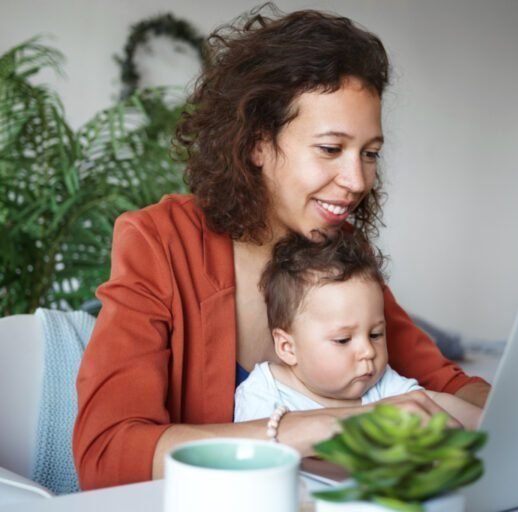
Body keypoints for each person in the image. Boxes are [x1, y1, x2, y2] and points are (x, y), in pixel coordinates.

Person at [73, 6, 490, 490]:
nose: (357, 181)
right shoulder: (161, 241)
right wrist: (326, 427)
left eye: (370, 153)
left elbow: (448, 384)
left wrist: (509, 413)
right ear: (257, 143)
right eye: (330, 149)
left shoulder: (340, 251)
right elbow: (106, 455)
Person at [234, 231, 481, 428]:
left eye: (375, 334)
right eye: (343, 339)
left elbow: (433, 404)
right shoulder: (264, 392)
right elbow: (257, 453)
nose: (368, 351)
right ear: (288, 347)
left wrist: (485, 423)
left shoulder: (381, 384)